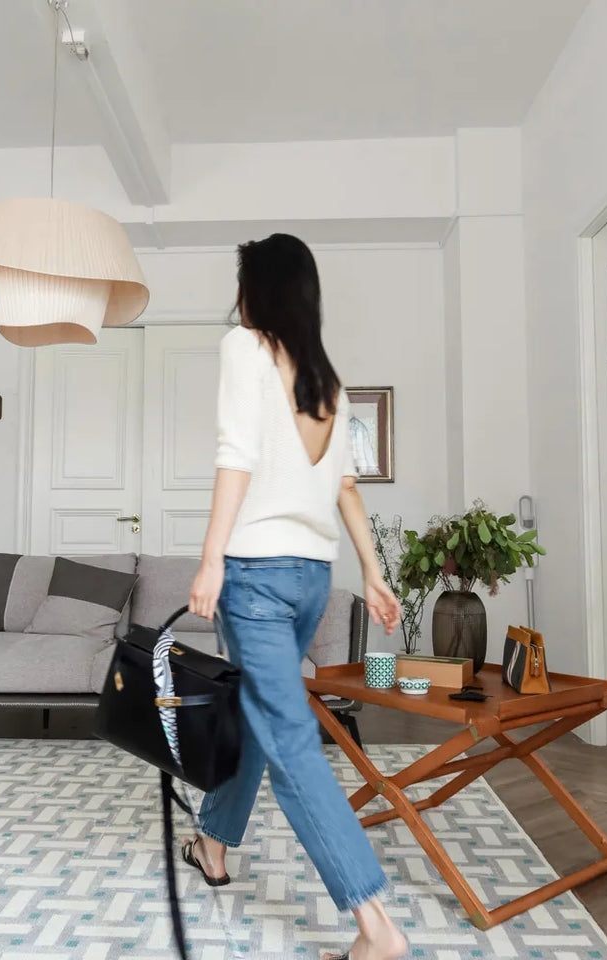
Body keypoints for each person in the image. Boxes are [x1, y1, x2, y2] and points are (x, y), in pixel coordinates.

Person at [185, 234, 407, 960]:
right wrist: (372, 574)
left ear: (259, 290)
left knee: (290, 747)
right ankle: (213, 847)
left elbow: (235, 458)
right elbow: (345, 487)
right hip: (312, 578)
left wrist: (212, 557)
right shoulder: (326, 379)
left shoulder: (245, 348)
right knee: (262, 721)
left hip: (255, 578)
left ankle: (376, 928)